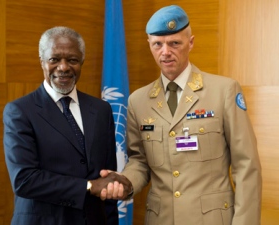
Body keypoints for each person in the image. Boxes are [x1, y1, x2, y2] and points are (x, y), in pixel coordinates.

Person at [100, 5, 262, 225]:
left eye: (174, 43)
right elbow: (139, 161)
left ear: (191, 42)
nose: (165, 52)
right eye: (158, 44)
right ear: (149, 45)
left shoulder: (224, 91)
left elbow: (246, 166)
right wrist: (125, 181)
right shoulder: (137, 101)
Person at [3, 26, 121, 225]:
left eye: (72, 60)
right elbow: (24, 180)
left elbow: (106, 177)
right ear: (42, 61)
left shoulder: (101, 110)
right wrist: (88, 186)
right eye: (54, 59)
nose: (64, 67)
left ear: (82, 62)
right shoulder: (20, 111)